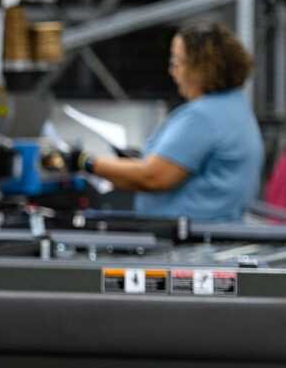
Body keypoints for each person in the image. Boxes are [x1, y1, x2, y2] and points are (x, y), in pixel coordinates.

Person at [44, 21, 263, 221]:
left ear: (200, 69)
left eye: (177, 62)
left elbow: (153, 177)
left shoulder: (203, 116)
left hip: (190, 245)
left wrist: (85, 162)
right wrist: (137, 161)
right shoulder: (234, 108)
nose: (172, 71)